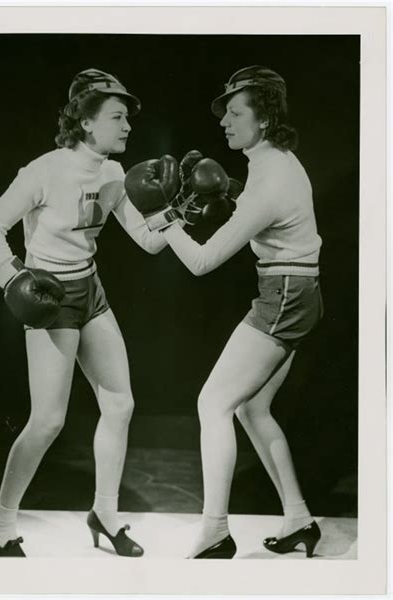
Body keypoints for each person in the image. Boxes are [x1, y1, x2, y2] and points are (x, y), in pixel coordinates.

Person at [0, 68, 177, 558]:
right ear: (86, 122)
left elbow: (149, 242)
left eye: (128, 117)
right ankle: (0, 523)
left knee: (121, 404)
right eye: (117, 116)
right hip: (48, 295)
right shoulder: (45, 170)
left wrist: (180, 211)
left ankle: (104, 515)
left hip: (91, 290)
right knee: (47, 421)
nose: (127, 125)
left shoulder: (113, 173)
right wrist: (14, 278)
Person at [125, 65, 323, 559]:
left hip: (284, 297)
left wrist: (159, 215)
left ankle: (215, 530)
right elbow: (267, 213)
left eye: (236, 112)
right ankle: (299, 519)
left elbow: (202, 262)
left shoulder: (270, 179)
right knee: (252, 409)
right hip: (293, 291)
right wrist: (224, 190)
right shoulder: (275, 161)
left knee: (213, 404)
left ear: (264, 118)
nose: (225, 122)